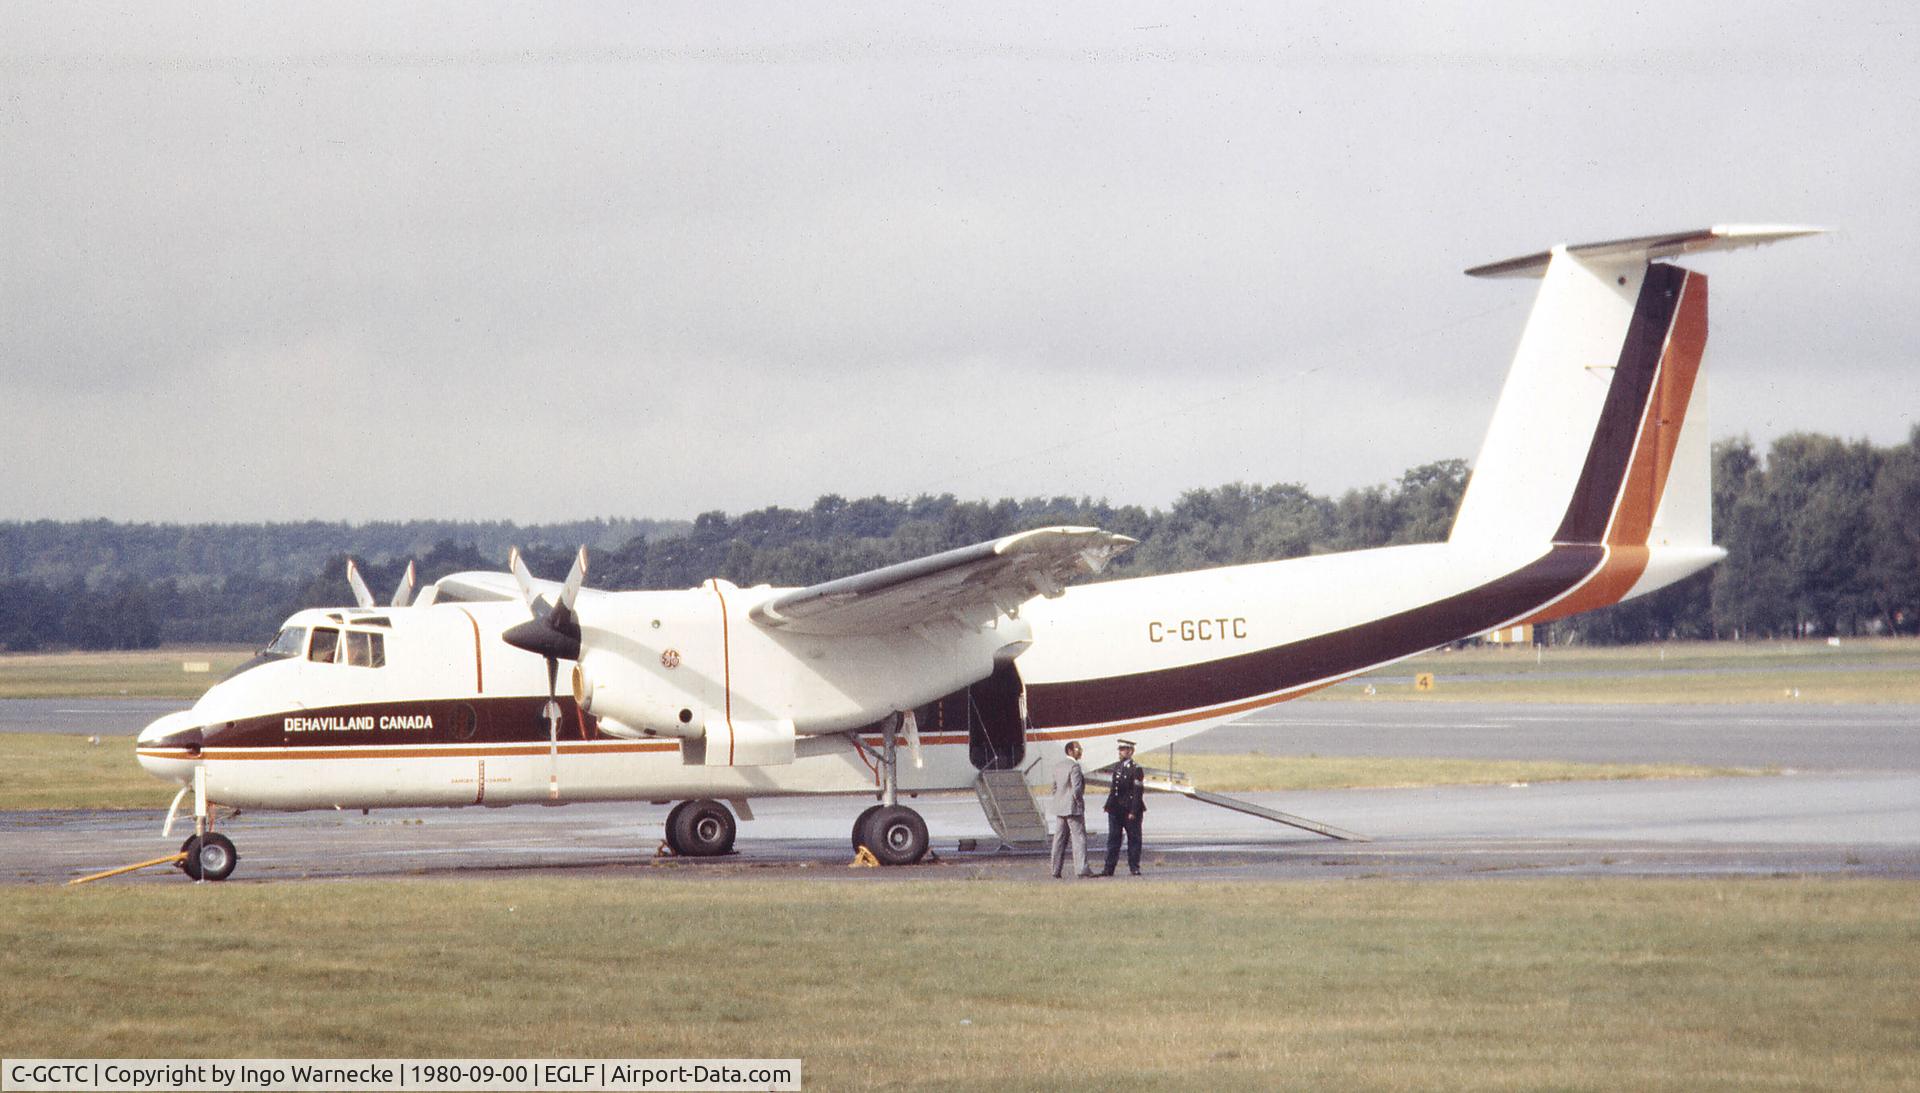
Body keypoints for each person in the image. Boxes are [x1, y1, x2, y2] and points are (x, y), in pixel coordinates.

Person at [1102, 738, 1146, 875]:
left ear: (1131, 751)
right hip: (1116, 809)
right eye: (1120, 749)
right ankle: (1109, 868)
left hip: (1130, 809)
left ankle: (1134, 867)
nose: (1121, 752)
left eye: (1124, 749)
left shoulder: (1136, 769)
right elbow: (1114, 789)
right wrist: (1108, 805)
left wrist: (1133, 810)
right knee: (1113, 839)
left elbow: (1137, 792)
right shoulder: (1118, 767)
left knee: (1134, 839)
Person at [1049, 740, 1090, 878]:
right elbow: (1076, 789)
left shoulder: (1058, 766)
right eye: (1078, 748)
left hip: (1060, 808)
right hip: (1073, 808)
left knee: (1059, 840)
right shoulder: (1075, 767)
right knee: (1079, 838)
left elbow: (1054, 788)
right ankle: (1081, 869)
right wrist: (1079, 803)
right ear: (1070, 751)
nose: (1081, 751)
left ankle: (1055, 870)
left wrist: (1059, 801)